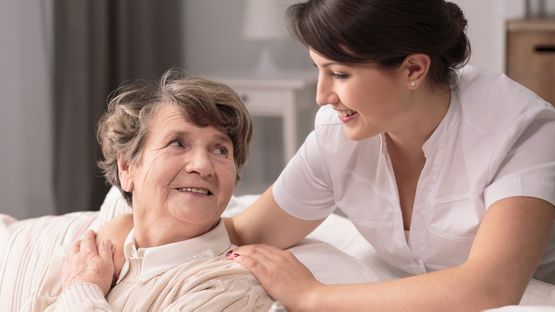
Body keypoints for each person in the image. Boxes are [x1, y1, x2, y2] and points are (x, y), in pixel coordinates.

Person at [224, 0, 555, 311]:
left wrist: (311, 295)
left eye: (338, 74)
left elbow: (492, 286)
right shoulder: (337, 134)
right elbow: (247, 232)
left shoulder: (521, 131)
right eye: (318, 70)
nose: (322, 96)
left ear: (413, 69)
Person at [17, 70, 272, 311]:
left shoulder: (227, 289)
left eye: (220, 150)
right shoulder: (91, 252)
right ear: (127, 167)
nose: (203, 166)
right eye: (178, 143)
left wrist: (82, 290)